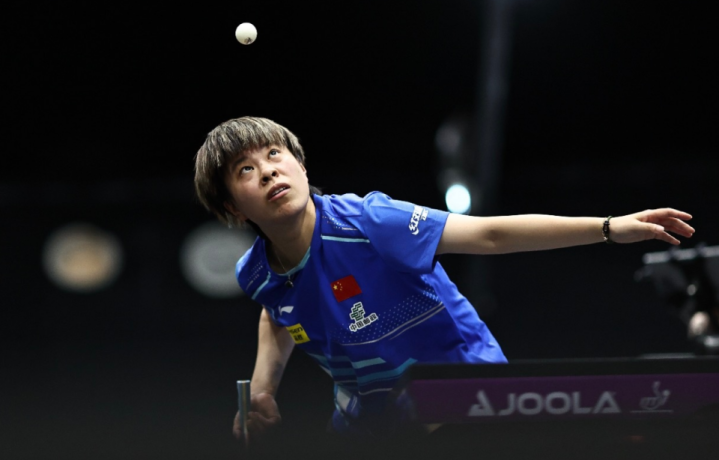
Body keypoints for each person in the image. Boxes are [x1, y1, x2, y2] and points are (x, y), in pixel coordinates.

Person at [193, 116, 695, 444]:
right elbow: (278, 312)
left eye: (274, 155)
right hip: (370, 420)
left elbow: (490, 235)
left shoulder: (369, 222)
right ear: (233, 208)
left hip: (463, 395)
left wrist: (608, 228)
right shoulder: (255, 272)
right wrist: (264, 389)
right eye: (245, 169)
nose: (267, 171)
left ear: (301, 166)